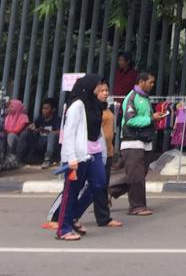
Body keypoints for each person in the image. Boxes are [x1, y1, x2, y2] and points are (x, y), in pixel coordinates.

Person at [54, 74, 109, 241]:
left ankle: (73, 216)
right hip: (77, 155)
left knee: (99, 184)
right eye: (97, 85)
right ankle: (63, 228)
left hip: (93, 153)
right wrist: (71, 157)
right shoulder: (77, 106)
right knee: (71, 191)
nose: (100, 89)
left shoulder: (94, 104)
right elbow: (69, 133)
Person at [118, 71, 166, 216]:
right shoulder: (131, 98)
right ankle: (137, 206)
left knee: (137, 175)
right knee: (136, 176)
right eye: (150, 82)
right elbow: (130, 120)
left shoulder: (144, 98)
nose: (152, 85)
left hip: (144, 141)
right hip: (132, 141)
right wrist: (151, 119)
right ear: (141, 82)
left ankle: (108, 190)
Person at [91, 91, 123, 229]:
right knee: (88, 187)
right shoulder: (91, 109)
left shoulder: (107, 108)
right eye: (101, 90)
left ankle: (104, 217)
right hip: (95, 153)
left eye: (106, 90)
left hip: (107, 152)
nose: (105, 93)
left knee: (102, 185)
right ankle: (62, 215)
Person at [20, 98, 58, 167]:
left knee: (51, 135)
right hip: (39, 143)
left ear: (53, 110)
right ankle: (20, 158)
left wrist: (47, 132)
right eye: (43, 108)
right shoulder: (40, 119)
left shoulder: (57, 120)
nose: (44, 110)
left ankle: (48, 159)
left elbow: (61, 132)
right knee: (26, 133)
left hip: (50, 145)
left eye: (46, 109)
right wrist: (32, 128)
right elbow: (32, 126)